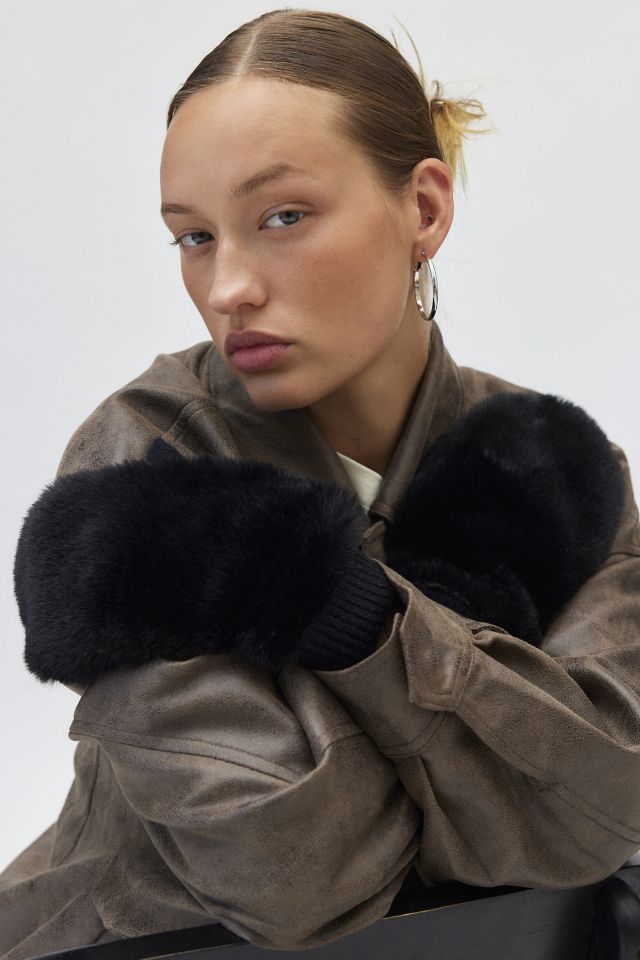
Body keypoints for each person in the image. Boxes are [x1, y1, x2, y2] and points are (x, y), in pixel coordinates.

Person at [2, 8, 640, 957]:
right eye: (194, 237)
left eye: (283, 217)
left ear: (424, 209)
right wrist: (489, 756)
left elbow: (601, 812)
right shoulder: (145, 467)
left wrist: (353, 617)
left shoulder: (547, 463)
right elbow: (298, 879)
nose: (229, 288)